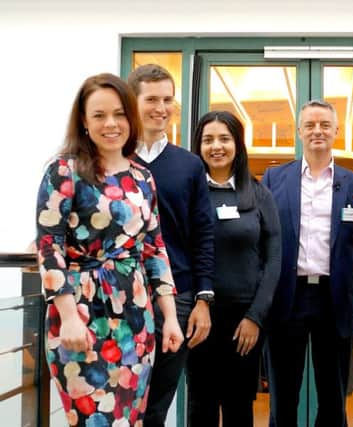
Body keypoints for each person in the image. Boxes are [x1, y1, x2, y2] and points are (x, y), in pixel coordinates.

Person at [35, 73, 184, 426]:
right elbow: (49, 245)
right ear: (84, 122)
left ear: (130, 119)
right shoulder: (63, 171)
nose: (111, 124)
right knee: (92, 419)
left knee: (130, 417)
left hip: (136, 316)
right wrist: (68, 315)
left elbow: (154, 249)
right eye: (99, 115)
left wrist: (171, 316)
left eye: (119, 114)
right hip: (81, 312)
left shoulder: (143, 177)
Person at [262, 100, 353, 427]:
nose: (317, 131)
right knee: (283, 395)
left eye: (324, 125)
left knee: (334, 397)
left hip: (334, 297)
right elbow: (264, 239)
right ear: (299, 132)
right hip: (286, 296)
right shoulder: (274, 178)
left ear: (337, 131)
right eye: (310, 125)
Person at [127, 64, 216, 426]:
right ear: (133, 102)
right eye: (151, 99)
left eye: (168, 100)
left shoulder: (190, 165)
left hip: (177, 298)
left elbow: (203, 235)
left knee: (157, 405)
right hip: (120, 294)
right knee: (121, 398)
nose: (161, 108)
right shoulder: (112, 160)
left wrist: (202, 299)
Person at [186, 110, 281, 426]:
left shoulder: (257, 194)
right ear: (198, 145)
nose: (217, 146)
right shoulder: (190, 192)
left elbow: (274, 259)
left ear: (238, 145)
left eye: (224, 138)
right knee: (201, 406)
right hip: (199, 317)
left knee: (239, 407)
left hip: (245, 320)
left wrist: (255, 317)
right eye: (208, 139)